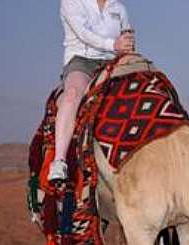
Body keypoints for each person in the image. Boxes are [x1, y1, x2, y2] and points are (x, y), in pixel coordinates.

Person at [48, 0, 135, 182]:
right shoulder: (71, 2)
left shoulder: (119, 8)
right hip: (82, 61)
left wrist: (129, 51)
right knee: (72, 94)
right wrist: (114, 45)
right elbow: (83, 33)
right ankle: (59, 161)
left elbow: (126, 41)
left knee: (142, 92)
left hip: (113, 62)